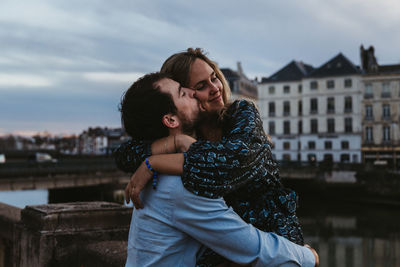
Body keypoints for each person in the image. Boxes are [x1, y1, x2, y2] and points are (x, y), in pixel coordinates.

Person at [116, 48, 313, 266]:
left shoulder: (240, 113)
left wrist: (154, 162)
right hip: (225, 241)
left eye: (214, 78)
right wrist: (174, 142)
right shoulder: (189, 130)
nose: (215, 88)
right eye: (199, 87)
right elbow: (125, 154)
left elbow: (229, 163)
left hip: (272, 234)